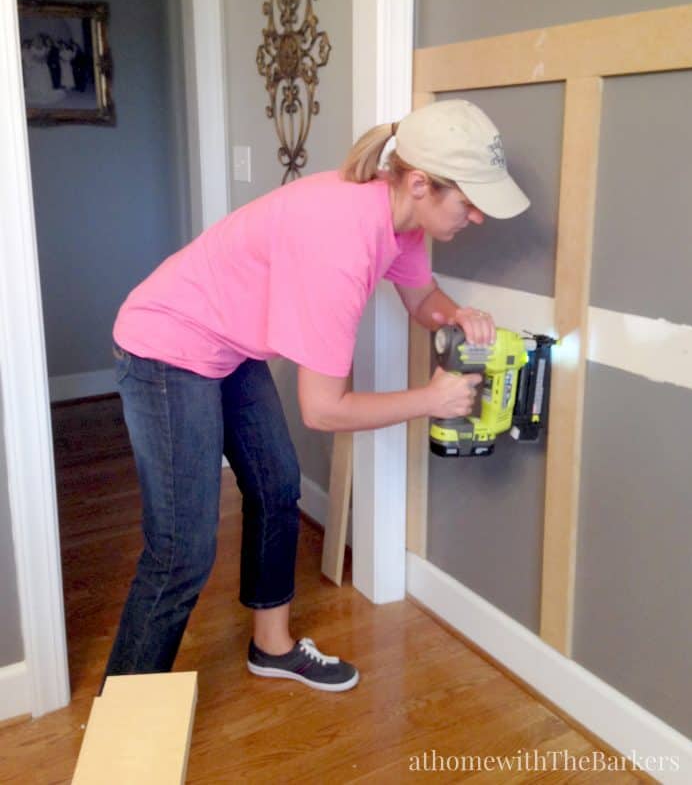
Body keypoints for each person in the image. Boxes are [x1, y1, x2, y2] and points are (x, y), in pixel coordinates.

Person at [106, 99, 530, 693]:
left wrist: (456, 314)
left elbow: (420, 302)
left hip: (225, 346)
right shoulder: (341, 243)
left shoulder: (399, 219)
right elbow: (324, 409)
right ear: (418, 183)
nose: (479, 216)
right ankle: (126, 715)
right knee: (182, 549)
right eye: (469, 200)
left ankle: (271, 646)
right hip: (165, 348)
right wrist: (429, 400)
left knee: (277, 484)